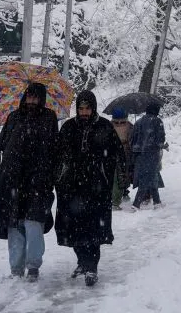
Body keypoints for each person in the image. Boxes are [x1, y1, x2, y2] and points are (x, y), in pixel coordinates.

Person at [0, 82, 59, 280]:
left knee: (34, 223)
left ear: (41, 99)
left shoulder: (49, 117)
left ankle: (33, 266)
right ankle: (15, 268)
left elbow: (52, 148)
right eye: (29, 97)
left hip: (37, 181)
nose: (31, 101)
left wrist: (50, 175)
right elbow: (3, 144)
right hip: (13, 180)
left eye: (35, 98)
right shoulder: (14, 117)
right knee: (14, 225)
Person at [54, 91, 124, 287]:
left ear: (93, 108)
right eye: (81, 109)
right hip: (71, 187)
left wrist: (106, 171)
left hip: (96, 188)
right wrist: (60, 174)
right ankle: (82, 262)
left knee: (93, 229)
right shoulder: (69, 127)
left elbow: (116, 155)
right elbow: (58, 154)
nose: (84, 112)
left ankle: (92, 267)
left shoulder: (104, 127)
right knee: (73, 228)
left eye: (88, 108)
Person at [129, 101, 166, 211]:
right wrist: (160, 146)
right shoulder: (157, 121)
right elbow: (161, 139)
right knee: (149, 178)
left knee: (149, 177)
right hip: (152, 154)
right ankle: (136, 204)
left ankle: (157, 201)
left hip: (139, 155)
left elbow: (132, 140)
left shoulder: (139, 122)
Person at [109, 109, 134, 210]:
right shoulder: (109, 126)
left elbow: (132, 139)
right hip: (117, 153)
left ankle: (123, 193)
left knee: (123, 173)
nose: (119, 124)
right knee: (119, 174)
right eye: (117, 122)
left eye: (122, 122)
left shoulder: (109, 125)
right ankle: (118, 196)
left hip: (123, 153)